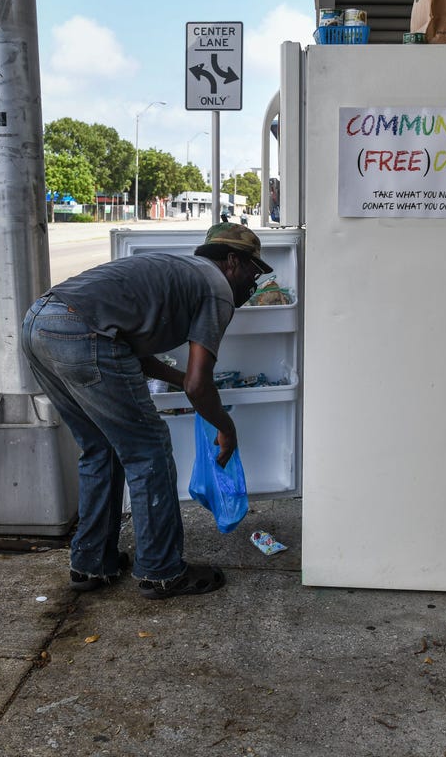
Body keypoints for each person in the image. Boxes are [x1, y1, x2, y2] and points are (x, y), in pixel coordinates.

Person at [21, 222, 271, 600]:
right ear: (233, 261)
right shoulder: (217, 289)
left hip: (39, 322)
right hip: (81, 332)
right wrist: (226, 426)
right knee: (148, 452)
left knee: (100, 447)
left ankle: (92, 563)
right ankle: (162, 571)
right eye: (254, 269)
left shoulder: (181, 271)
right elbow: (198, 385)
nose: (254, 280)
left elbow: (131, 351)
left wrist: (181, 378)